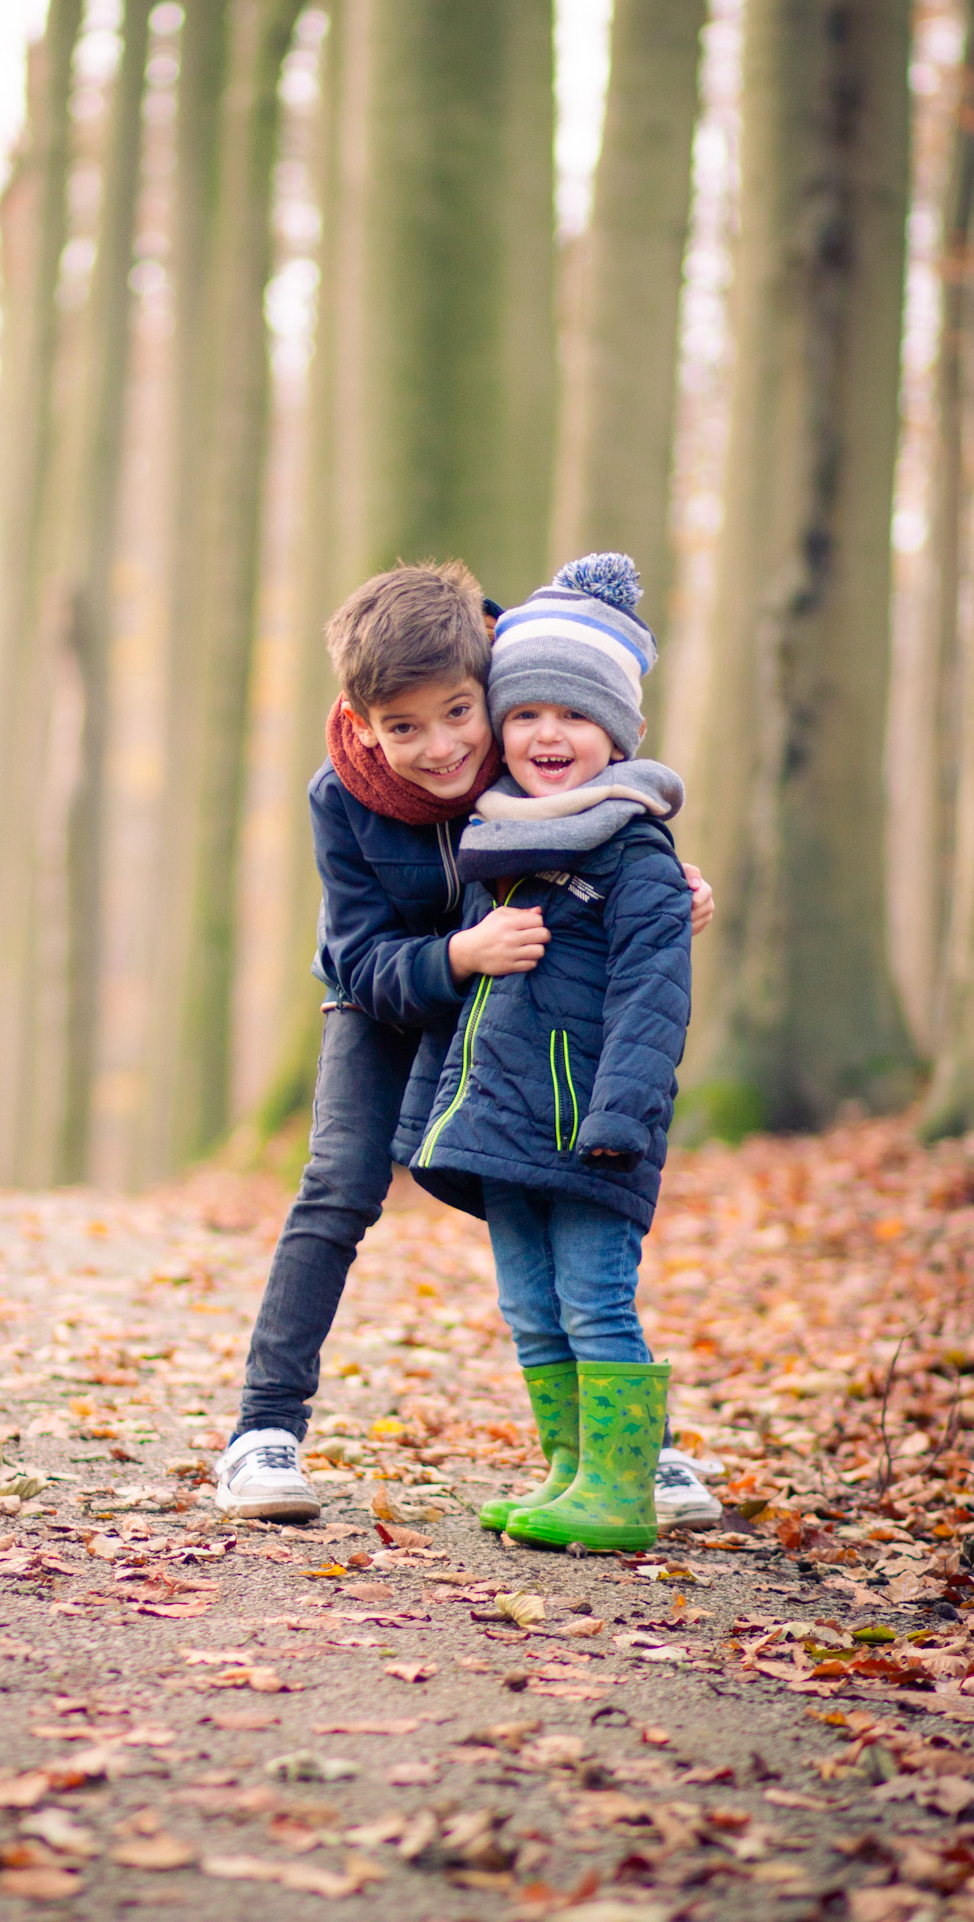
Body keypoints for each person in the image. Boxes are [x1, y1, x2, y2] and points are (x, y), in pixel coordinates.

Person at [214, 559, 719, 1528]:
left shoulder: (525, 716)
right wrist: (456, 951)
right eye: (403, 727)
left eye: (458, 715)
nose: (442, 747)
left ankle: (635, 1457)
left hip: (520, 1002)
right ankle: (261, 1430)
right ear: (363, 721)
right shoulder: (344, 798)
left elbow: (609, 820)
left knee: (560, 1214)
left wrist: (668, 892)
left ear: (487, 679)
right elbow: (356, 956)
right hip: (392, 995)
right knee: (337, 1187)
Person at [394, 553, 695, 1551]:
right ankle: (570, 1470)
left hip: (592, 1132)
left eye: (573, 715)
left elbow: (654, 996)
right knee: (531, 1306)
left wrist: (621, 1120)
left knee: (595, 1301)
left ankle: (622, 1488)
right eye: (524, 715)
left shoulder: (633, 853)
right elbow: (480, 1009)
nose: (548, 734)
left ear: (619, 732)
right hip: (508, 1127)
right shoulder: (502, 843)